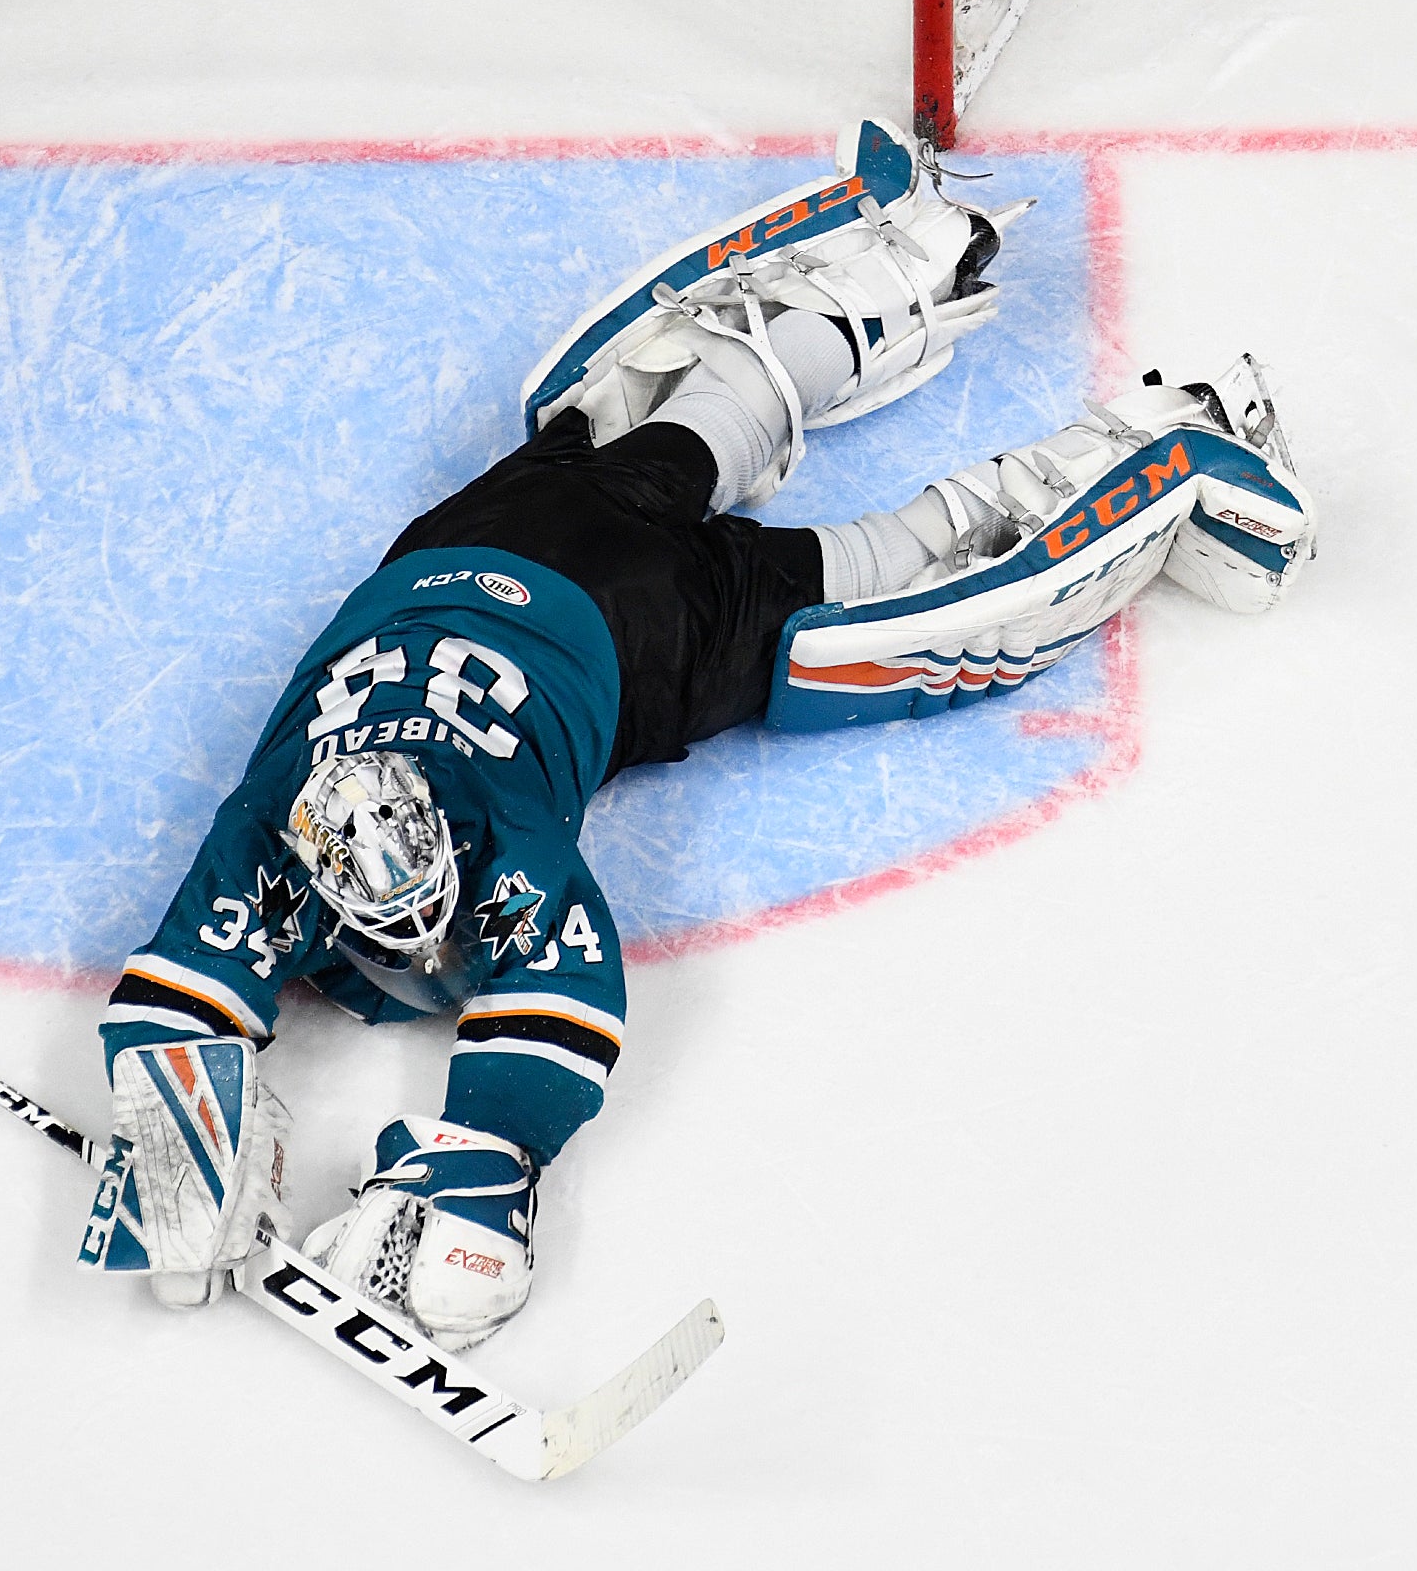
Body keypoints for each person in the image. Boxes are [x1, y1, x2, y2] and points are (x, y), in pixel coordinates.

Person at [76, 118, 1313, 1344]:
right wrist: (269, 1138)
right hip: (493, 537)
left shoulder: (314, 838)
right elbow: (211, 1001)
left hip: (644, 628)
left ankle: (1171, 447)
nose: (429, 948)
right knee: (690, 429)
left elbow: (255, 996)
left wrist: (419, 1172)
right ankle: (915, 248)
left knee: (895, 590)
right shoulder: (338, 832)